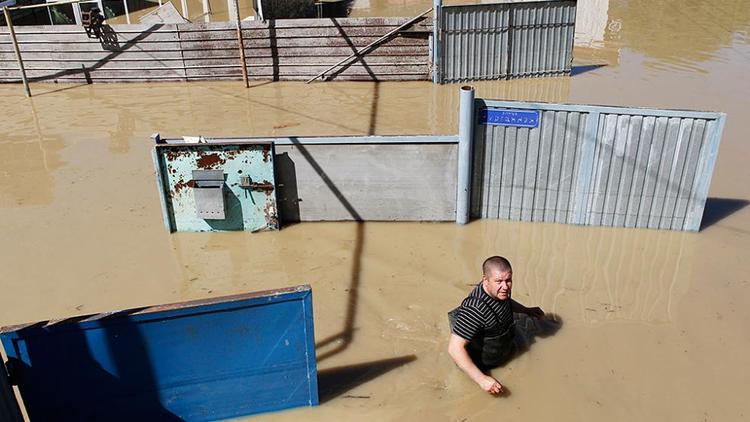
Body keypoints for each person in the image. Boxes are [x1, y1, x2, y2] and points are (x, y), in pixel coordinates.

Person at [448, 256, 544, 395]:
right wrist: (482, 379)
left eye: (508, 280)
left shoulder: (500, 292)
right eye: (499, 281)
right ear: (485, 280)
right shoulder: (475, 310)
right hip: (481, 364)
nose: (505, 287)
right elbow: (454, 348)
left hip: (502, 350)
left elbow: (507, 303)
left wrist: (526, 310)